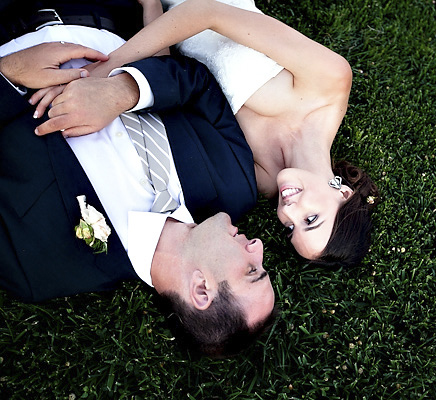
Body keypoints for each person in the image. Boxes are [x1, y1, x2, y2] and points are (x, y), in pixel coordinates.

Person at [0, 3, 275, 357]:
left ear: (201, 290)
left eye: (252, 270)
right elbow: (197, 83)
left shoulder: (37, 270)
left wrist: (8, 73)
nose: (258, 247)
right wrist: (125, 91)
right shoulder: (235, 185)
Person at [76, 0, 381, 268]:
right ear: (343, 193)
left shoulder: (260, 179)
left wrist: (151, 6)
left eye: (291, 229)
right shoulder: (329, 83)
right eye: (310, 220)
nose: (288, 213)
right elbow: (208, 11)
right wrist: (105, 69)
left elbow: (178, 89)